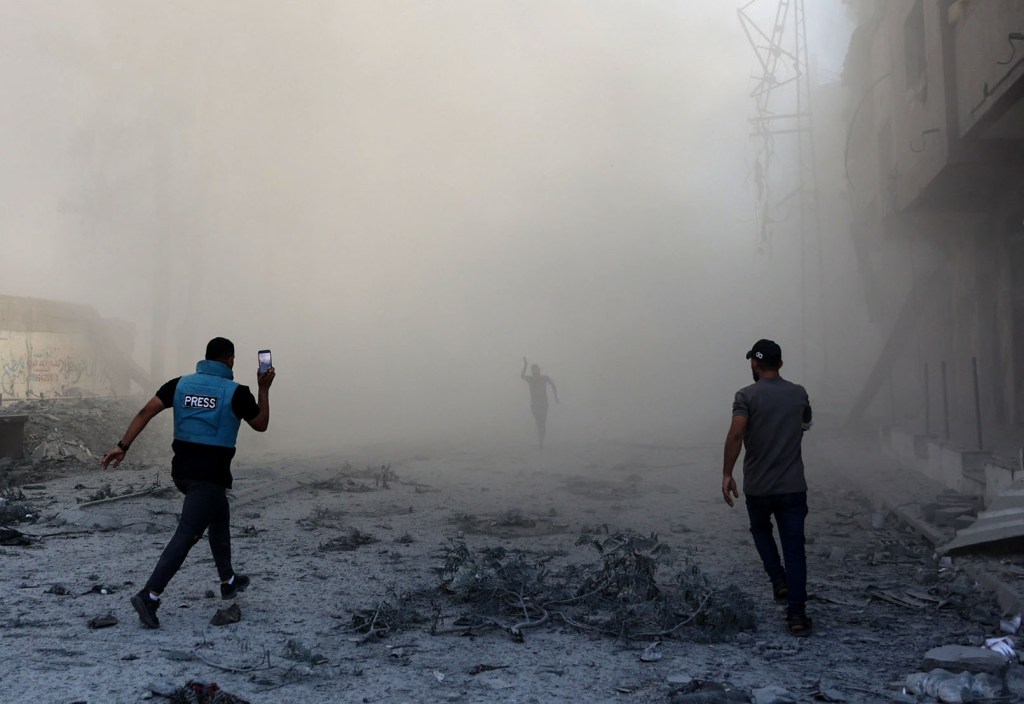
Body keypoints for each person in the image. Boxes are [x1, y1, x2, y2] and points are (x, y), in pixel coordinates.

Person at [100, 337, 275, 629]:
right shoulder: (236, 392)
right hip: (208, 476)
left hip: (182, 471)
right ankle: (150, 595)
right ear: (230, 361)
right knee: (187, 534)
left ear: (205, 358)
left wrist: (123, 445)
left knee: (220, 513)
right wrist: (264, 388)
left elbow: (146, 411)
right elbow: (261, 424)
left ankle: (228, 581)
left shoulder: (179, 384)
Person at [721, 339, 813, 636]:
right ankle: (797, 616)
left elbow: (736, 434)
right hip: (793, 485)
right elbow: (807, 423)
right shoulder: (798, 393)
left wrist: (727, 473)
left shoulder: (745, 396)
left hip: (759, 487)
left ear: (754, 365)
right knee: (795, 549)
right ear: (781, 364)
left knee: (761, 530)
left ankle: (778, 579)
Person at [521, 356, 558, 449]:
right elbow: (522, 376)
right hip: (535, 404)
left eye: (536, 369)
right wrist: (525, 365)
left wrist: (556, 397)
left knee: (543, 422)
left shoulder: (544, 378)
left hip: (543, 404)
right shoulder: (531, 379)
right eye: (533, 369)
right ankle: (540, 440)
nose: (535, 371)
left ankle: (541, 441)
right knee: (539, 423)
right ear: (532, 371)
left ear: (539, 370)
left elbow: (553, 384)